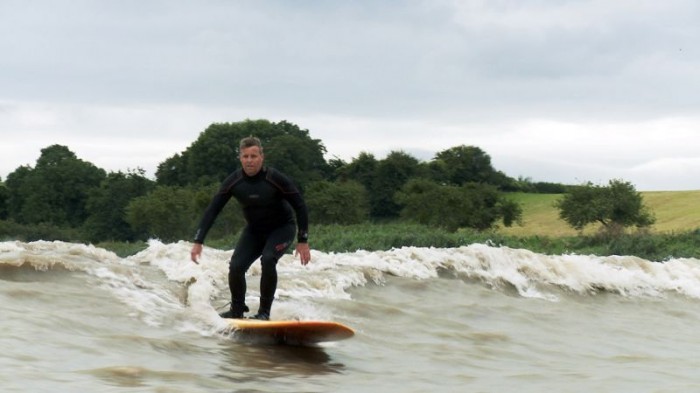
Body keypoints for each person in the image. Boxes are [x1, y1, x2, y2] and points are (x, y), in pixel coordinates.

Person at [190, 136, 311, 320]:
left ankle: (264, 313)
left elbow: (300, 206)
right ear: (240, 158)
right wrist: (199, 241)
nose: (249, 160)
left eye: (253, 156)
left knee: (268, 259)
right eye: (245, 156)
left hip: (282, 228)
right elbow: (213, 209)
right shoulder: (234, 181)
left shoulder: (275, 178)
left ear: (262, 157)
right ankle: (237, 310)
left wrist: (303, 240)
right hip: (254, 231)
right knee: (236, 266)